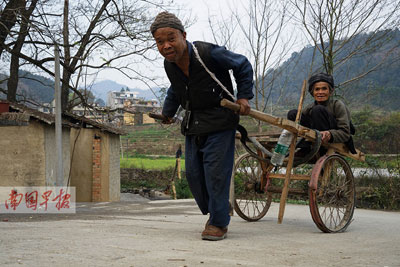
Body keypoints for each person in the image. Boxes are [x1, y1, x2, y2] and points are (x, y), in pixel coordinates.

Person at [150, 11, 254, 241]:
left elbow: (242, 64)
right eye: (160, 41)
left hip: (220, 119)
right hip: (193, 124)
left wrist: (244, 96)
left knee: (216, 174)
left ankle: (218, 222)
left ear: (183, 36)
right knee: (194, 175)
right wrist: (168, 113)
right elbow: (175, 89)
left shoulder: (206, 53)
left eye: (171, 38)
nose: (166, 45)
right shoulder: (170, 65)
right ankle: (220, 208)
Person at [287, 73, 356, 154]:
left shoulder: (337, 105)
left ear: (330, 91)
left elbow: (345, 133)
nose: (320, 92)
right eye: (317, 89)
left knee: (318, 109)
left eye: (324, 89)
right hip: (315, 136)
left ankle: (319, 144)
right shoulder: (310, 107)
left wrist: (329, 134)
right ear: (312, 92)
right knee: (293, 113)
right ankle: (307, 144)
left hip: (331, 138)